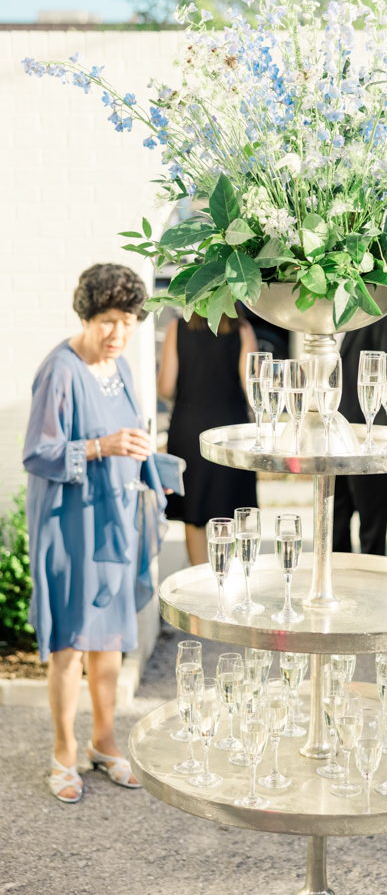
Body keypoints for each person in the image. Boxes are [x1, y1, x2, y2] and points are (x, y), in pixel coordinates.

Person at [23, 264, 169, 803]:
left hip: (113, 519)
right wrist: (101, 447)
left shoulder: (122, 366)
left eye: (128, 321)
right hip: (69, 524)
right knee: (70, 642)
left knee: (109, 639)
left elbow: (134, 435)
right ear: (86, 315)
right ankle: (63, 754)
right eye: (108, 321)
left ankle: (103, 743)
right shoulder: (59, 371)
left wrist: (154, 469)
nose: (118, 333)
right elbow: (37, 453)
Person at [157, 307, 258, 566]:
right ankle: (232, 580)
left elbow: (166, 386)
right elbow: (254, 392)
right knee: (234, 507)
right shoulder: (242, 330)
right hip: (231, 432)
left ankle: (200, 581)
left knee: (195, 511)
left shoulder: (177, 328)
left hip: (189, 429)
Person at [333, 303, 387, 556]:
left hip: (372, 443)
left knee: (372, 539)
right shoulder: (334, 309)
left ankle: (370, 594)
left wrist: (379, 446)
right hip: (334, 439)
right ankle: (338, 591)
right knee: (333, 536)